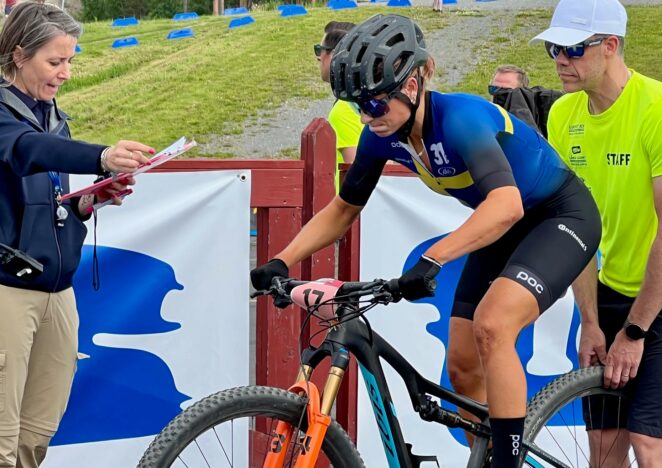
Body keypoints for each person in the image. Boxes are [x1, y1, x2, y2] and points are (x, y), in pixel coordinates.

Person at [251, 13, 601, 468]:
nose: (366, 117)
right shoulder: (383, 135)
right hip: (505, 223)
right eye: (357, 107)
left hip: (559, 215)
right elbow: (343, 208)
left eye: (374, 104)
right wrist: (281, 260)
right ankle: (488, 454)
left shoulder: (461, 120)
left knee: (493, 326)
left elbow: (507, 204)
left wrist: (433, 258)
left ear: (412, 86)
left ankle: (507, 462)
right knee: (462, 366)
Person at [0, 3, 154, 466]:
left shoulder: (53, 117)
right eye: (55, 61)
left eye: (70, 60)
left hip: (57, 289)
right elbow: (27, 151)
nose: (66, 73)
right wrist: (102, 156)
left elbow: (48, 200)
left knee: (35, 436)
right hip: (8, 291)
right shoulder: (8, 117)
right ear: (18, 55)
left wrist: (88, 201)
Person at [531, 0, 662, 465]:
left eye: (572, 49)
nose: (560, 61)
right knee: (604, 451)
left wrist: (635, 330)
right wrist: (590, 320)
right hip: (608, 293)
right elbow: (574, 223)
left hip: (657, 296)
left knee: (648, 443)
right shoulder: (563, 114)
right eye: (553, 49)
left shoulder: (655, 107)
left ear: (609, 45)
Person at [315, 21, 362, 192]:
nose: (318, 57)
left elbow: (360, 183)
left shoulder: (344, 110)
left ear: (335, 56)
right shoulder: (361, 101)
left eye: (320, 50)